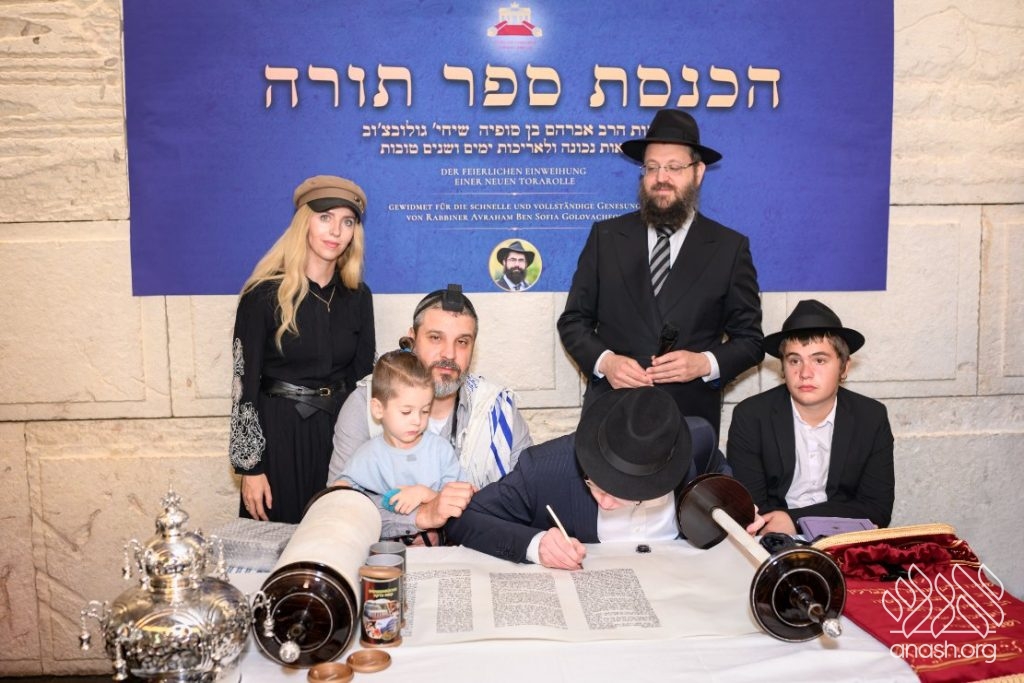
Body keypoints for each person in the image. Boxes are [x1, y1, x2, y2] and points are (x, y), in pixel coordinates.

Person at [558, 108, 764, 438]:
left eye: (673, 167)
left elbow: (750, 341)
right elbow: (573, 322)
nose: (660, 178)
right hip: (612, 417)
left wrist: (704, 363)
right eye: (651, 167)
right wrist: (606, 362)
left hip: (688, 422)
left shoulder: (729, 248)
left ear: (698, 172)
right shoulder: (606, 237)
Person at [444, 387, 762, 569]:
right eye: (595, 485)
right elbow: (463, 520)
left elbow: (721, 487)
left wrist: (738, 515)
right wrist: (536, 545)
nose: (606, 503)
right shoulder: (545, 468)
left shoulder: (699, 445)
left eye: (624, 493)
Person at [328, 283, 532, 540]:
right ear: (412, 339)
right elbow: (337, 503)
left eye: (462, 342)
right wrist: (419, 518)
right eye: (436, 338)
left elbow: (527, 498)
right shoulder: (367, 403)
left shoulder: (498, 410)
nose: (449, 354)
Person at [229, 175, 375, 524]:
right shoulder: (262, 295)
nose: (336, 231)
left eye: (347, 222)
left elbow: (364, 383)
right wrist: (251, 468)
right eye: (325, 217)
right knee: (277, 546)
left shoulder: (358, 297)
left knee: (337, 538)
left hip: (339, 437)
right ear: (304, 223)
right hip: (279, 437)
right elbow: (243, 385)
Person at [727, 299, 895, 534]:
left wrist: (795, 519)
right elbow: (750, 508)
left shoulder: (870, 417)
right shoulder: (751, 416)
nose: (805, 373)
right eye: (794, 360)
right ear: (783, 368)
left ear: (844, 367)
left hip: (841, 538)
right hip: (773, 540)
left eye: (819, 360)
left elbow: (877, 509)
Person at [337, 345, 467, 514]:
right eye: (406, 412)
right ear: (378, 409)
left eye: (425, 411)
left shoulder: (440, 450)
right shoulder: (368, 455)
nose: (417, 420)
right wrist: (340, 489)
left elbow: (458, 500)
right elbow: (343, 488)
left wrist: (425, 494)